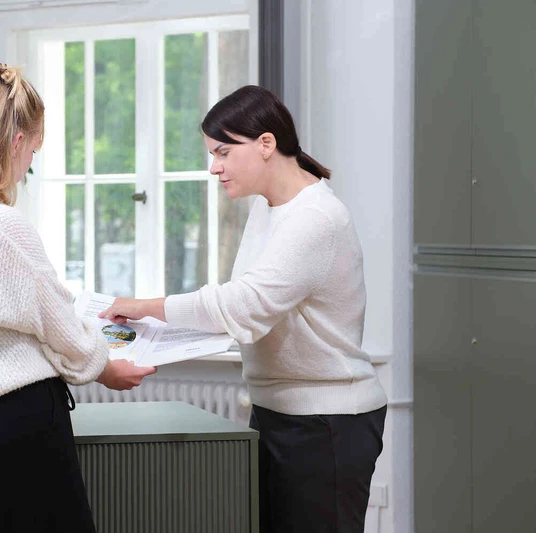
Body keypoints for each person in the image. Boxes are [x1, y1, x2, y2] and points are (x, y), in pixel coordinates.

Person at [99, 85, 387, 533]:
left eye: (223, 152)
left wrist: (144, 307)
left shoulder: (315, 218)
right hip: (277, 411)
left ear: (266, 144)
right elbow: (246, 304)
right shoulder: (268, 208)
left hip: (325, 422)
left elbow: (244, 305)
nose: (213, 167)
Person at [0, 61, 156, 533]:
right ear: (17, 142)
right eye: (34, 150)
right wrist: (106, 367)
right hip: (18, 432)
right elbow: (62, 330)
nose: (28, 165)